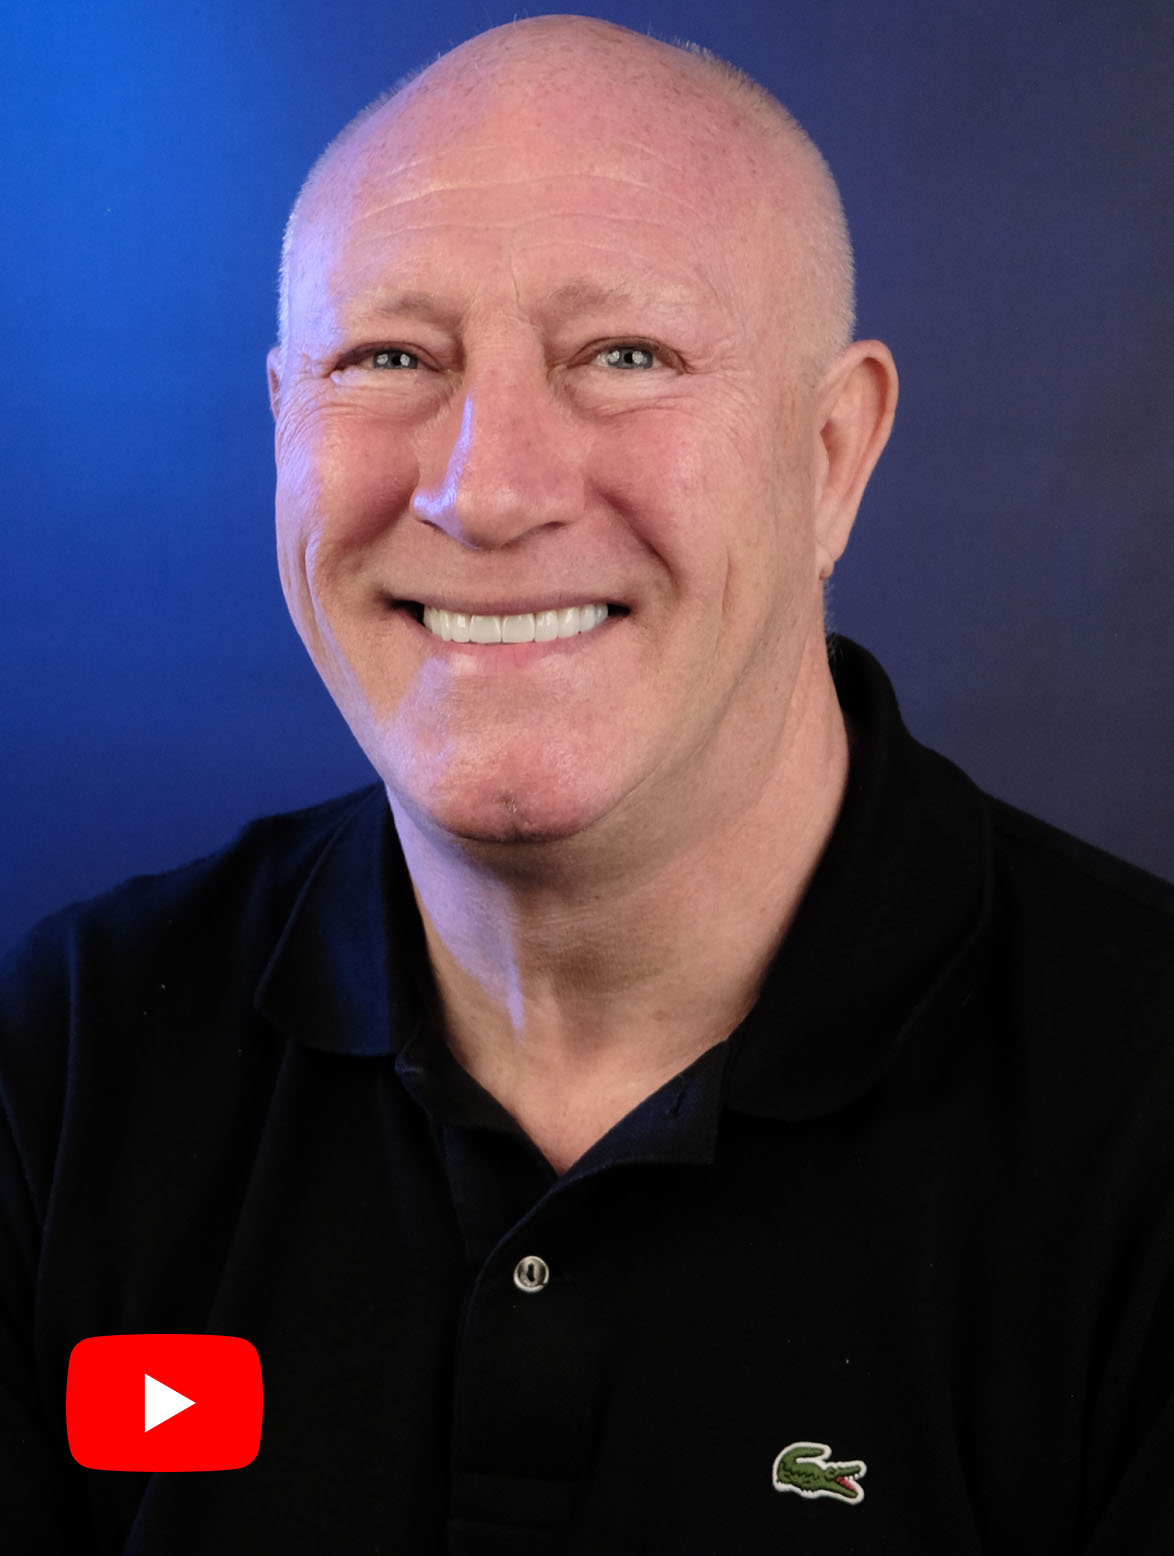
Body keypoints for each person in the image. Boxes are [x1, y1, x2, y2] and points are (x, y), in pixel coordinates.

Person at [2, 14, 1172, 1553]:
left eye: (623, 356)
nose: (484, 490)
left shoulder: (1144, 1112)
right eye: (388, 359)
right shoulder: (74, 1050)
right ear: (282, 423)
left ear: (831, 453)